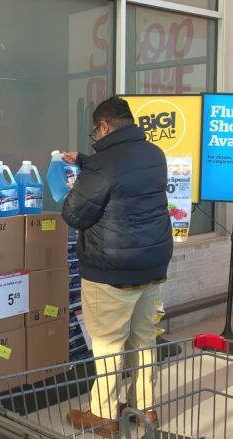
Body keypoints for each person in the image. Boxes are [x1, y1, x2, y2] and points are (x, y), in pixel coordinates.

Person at [61, 96, 173, 434]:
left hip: (112, 270)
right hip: (151, 266)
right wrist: (85, 161)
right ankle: (146, 409)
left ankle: (104, 414)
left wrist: (77, 180)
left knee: (108, 343)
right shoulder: (154, 155)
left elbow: (75, 214)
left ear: (104, 126)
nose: (95, 137)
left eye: (95, 131)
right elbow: (124, 178)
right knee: (143, 340)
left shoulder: (102, 164)